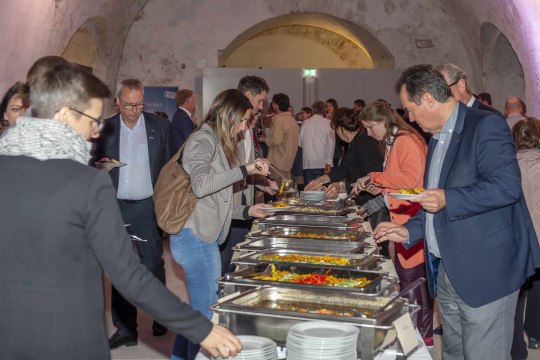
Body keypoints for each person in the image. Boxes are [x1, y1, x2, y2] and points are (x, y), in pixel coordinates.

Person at [0, 63, 241, 360]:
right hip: (69, 337)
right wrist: (201, 328)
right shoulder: (87, 184)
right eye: (91, 118)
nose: (96, 129)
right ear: (63, 116)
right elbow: (128, 274)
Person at [374, 64, 540, 359]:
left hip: (487, 269)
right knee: (455, 353)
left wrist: (449, 198)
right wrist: (409, 230)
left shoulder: (485, 124)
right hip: (448, 270)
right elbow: (431, 200)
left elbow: (506, 187)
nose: (409, 118)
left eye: (410, 109)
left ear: (427, 99)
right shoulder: (436, 137)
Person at [170, 89, 271, 360]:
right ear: (230, 116)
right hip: (195, 237)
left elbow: (216, 203)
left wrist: (248, 210)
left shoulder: (213, 141)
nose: (242, 129)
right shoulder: (202, 140)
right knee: (207, 318)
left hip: (202, 235)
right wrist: (245, 169)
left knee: (201, 311)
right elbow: (201, 187)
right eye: (242, 121)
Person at [92, 78, 173, 348]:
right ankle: (126, 328)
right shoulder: (105, 129)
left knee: (152, 264)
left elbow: (171, 167)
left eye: (139, 104)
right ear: (118, 102)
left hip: (146, 207)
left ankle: (160, 314)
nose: (134, 109)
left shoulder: (159, 127)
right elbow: (93, 166)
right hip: (114, 207)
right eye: (129, 104)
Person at [351, 101, 433, 346]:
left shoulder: (405, 140)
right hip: (402, 215)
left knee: (413, 281)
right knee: (406, 278)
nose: (368, 133)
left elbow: (412, 178)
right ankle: (416, 331)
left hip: (412, 218)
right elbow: (398, 182)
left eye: (369, 127)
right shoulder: (392, 141)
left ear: (383, 122)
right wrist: (377, 187)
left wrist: (374, 176)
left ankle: (423, 337)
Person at [219, 75, 274, 276]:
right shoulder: (229, 125)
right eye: (259, 101)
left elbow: (246, 165)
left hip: (244, 200)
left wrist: (263, 183)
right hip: (228, 203)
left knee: (238, 258)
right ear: (247, 95)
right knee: (225, 262)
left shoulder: (248, 125)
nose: (261, 107)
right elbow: (227, 170)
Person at [304, 107, 385, 228]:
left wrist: (341, 186)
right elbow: (344, 168)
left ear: (340, 129)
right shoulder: (356, 141)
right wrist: (320, 180)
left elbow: (370, 180)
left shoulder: (364, 144)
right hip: (366, 202)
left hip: (374, 204)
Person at [511, 117, 540, 359]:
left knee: (517, 292)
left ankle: (516, 345)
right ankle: (536, 334)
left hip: (517, 237)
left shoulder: (507, 168)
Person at [436, 63, 504, 117]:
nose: (439, 98)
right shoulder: (445, 119)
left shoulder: (490, 116)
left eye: (443, 89)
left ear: (461, 85)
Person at [263, 93, 299, 180]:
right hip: (288, 162)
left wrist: (264, 140)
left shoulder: (279, 120)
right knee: (285, 190)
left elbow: (275, 141)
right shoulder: (292, 120)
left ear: (276, 105)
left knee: (277, 189)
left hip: (278, 162)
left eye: (273, 103)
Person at [299, 100, 335, 184]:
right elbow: (331, 144)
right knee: (325, 192)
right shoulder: (328, 123)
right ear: (325, 110)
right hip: (324, 162)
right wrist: (329, 162)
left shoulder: (305, 123)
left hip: (308, 163)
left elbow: (300, 144)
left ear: (312, 110)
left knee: (309, 191)